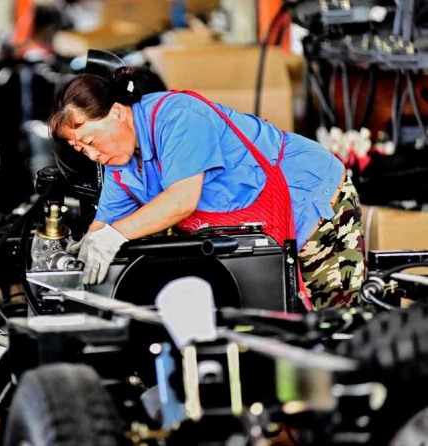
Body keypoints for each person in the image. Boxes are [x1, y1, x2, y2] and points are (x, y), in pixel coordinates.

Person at [48, 67, 365, 310]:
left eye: (90, 141)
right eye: (81, 150)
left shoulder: (179, 116)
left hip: (309, 203)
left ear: (117, 112)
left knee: (334, 324)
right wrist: (79, 254)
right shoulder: (120, 164)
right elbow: (103, 226)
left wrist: (114, 236)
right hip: (257, 235)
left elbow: (181, 201)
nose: (92, 155)